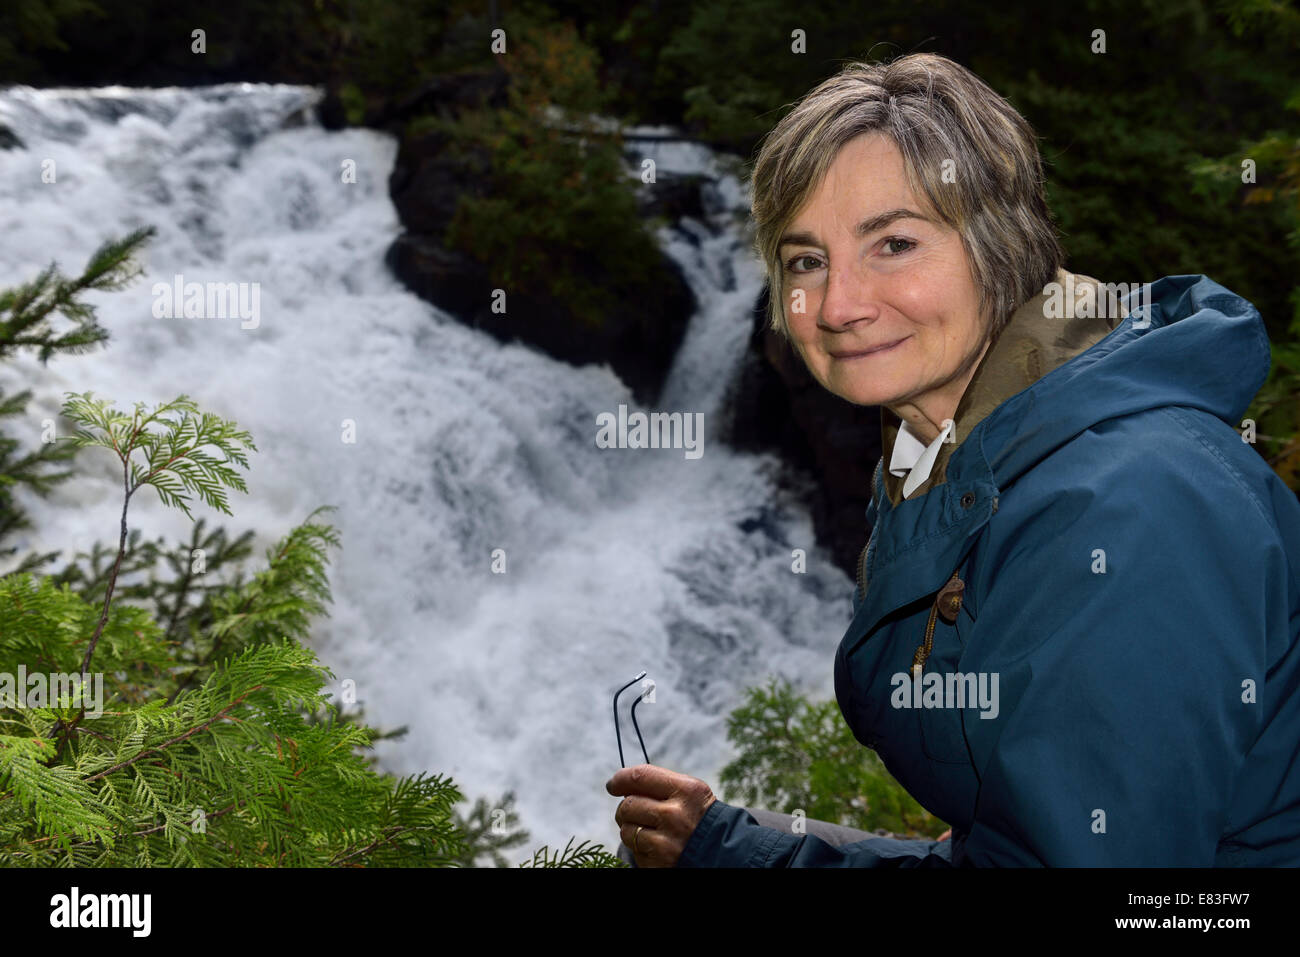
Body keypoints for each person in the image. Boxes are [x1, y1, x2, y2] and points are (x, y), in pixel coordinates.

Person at [606, 52, 1300, 867]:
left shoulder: (1126, 507)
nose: (836, 305)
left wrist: (735, 856)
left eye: (894, 243)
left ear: (1000, 242)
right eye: (805, 260)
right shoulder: (944, 449)